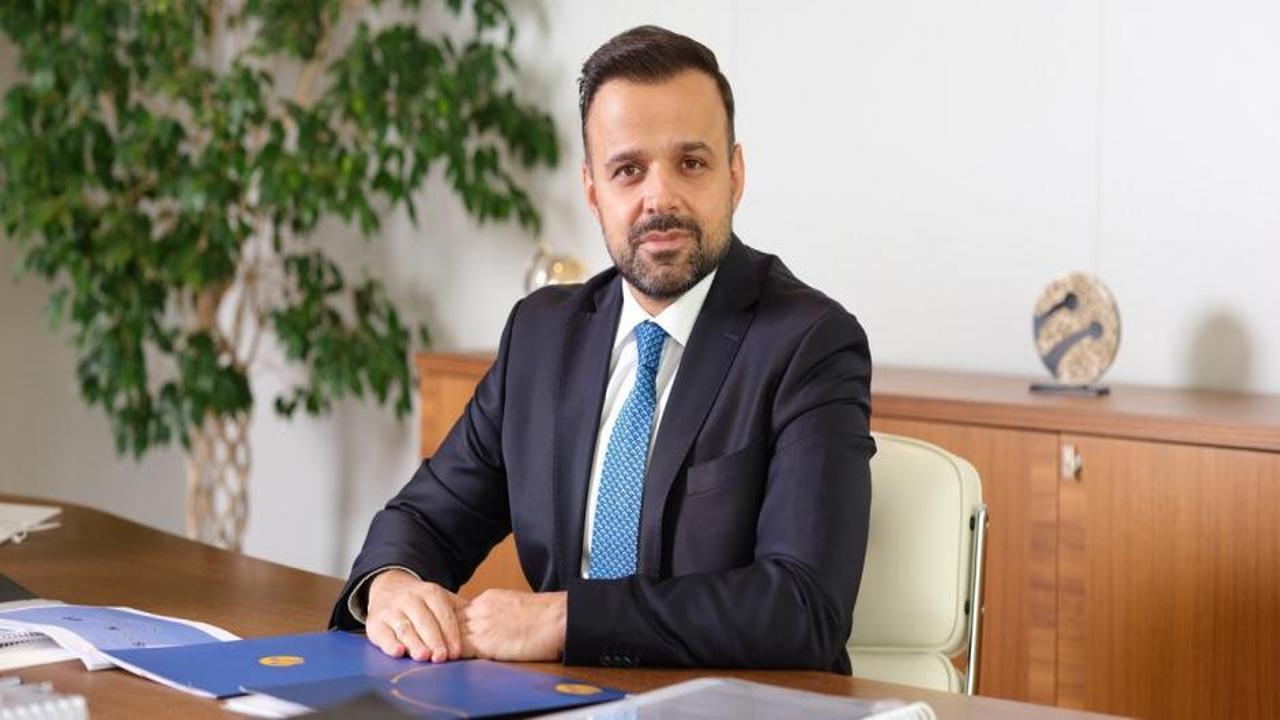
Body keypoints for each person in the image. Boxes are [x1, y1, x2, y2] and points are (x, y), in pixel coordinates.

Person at [330, 24, 874, 674]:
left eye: (691, 163)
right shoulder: (540, 335)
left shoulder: (809, 342)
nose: (659, 197)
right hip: (560, 700)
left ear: (735, 174)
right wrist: (390, 584)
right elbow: (427, 517)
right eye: (628, 170)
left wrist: (565, 619)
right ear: (593, 191)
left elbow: (803, 608)